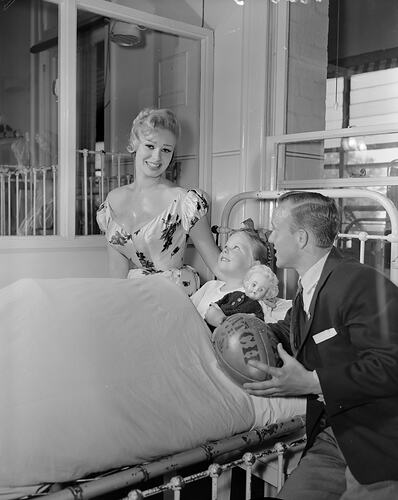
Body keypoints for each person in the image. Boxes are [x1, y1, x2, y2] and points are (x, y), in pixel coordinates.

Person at [244, 191, 398, 500]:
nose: (270, 237)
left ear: (301, 238)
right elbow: (294, 331)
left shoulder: (360, 282)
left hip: (381, 442)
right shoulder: (310, 285)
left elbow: (391, 365)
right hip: (335, 436)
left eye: (276, 227)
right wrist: (241, 333)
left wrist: (312, 382)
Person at [96, 108, 220, 294]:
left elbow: (217, 265)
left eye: (166, 150)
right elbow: (117, 276)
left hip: (173, 298)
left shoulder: (185, 202)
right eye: (150, 146)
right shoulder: (112, 202)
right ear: (134, 144)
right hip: (135, 297)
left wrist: (255, 282)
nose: (157, 157)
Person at [191, 224, 290, 331]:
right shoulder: (209, 286)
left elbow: (257, 331)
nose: (225, 250)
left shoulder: (253, 296)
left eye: (236, 248)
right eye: (226, 246)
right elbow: (183, 310)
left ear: (255, 266)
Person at [205, 263, 279, 330]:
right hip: (211, 322)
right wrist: (214, 307)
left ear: (265, 294)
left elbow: (258, 322)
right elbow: (218, 303)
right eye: (254, 285)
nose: (255, 290)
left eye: (261, 290)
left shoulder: (257, 307)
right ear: (247, 283)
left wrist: (252, 317)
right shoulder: (235, 294)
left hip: (228, 331)